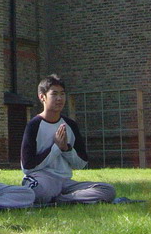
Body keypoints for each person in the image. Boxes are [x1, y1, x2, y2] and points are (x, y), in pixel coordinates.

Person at [21, 75, 115, 204]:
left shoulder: (70, 125)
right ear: (42, 97)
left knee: (108, 190)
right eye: (54, 94)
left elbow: (81, 163)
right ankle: (62, 198)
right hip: (42, 180)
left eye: (62, 94)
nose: (59, 99)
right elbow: (27, 167)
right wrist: (56, 148)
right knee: (38, 193)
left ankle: (61, 199)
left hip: (66, 183)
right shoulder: (34, 125)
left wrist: (66, 149)